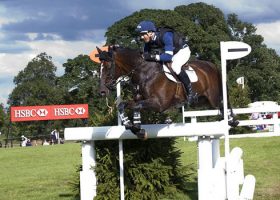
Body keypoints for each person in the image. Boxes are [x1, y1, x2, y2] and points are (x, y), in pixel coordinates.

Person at [135, 20, 196, 104]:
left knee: (175, 66)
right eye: (140, 35)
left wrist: (153, 57)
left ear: (150, 33)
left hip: (182, 51)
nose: (141, 37)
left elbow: (168, 57)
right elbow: (145, 56)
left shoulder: (166, 35)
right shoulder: (148, 41)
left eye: (142, 34)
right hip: (171, 53)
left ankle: (191, 93)